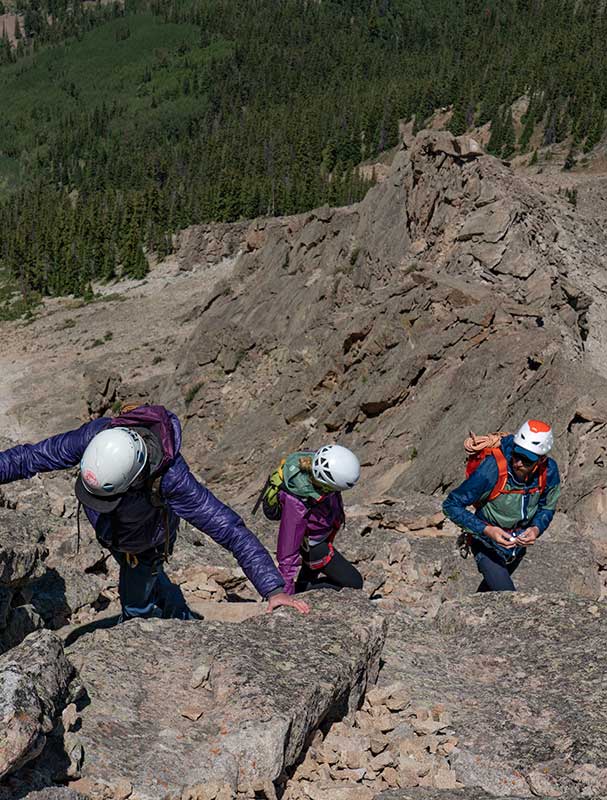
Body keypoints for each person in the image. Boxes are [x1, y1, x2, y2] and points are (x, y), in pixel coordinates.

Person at [0, 404, 309, 620]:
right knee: (150, 578)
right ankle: (173, 607)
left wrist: (273, 589)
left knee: (136, 602)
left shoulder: (173, 480)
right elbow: (31, 458)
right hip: (117, 533)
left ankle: (149, 627)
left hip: (145, 543)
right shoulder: (97, 436)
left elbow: (229, 529)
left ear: (135, 478)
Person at [443, 420, 561, 592]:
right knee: (508, 597)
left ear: (541, 460)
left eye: (527, 460)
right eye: (516, 454)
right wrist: (487, 530)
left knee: (491, 594)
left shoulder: (549, 471)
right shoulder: (493, 469)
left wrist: (536, 529)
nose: (518, 462)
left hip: (517, 546)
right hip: (486, 543)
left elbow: (547, 507)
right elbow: (451, 505)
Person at [276, 444, 363, 595]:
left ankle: (301, 587)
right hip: (314, 546)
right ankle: (296, 592)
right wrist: (283, 594)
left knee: (309, 573)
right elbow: (287, 552)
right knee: (354, 583)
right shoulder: (298, 501)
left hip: (318, 538)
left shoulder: (320, 466)